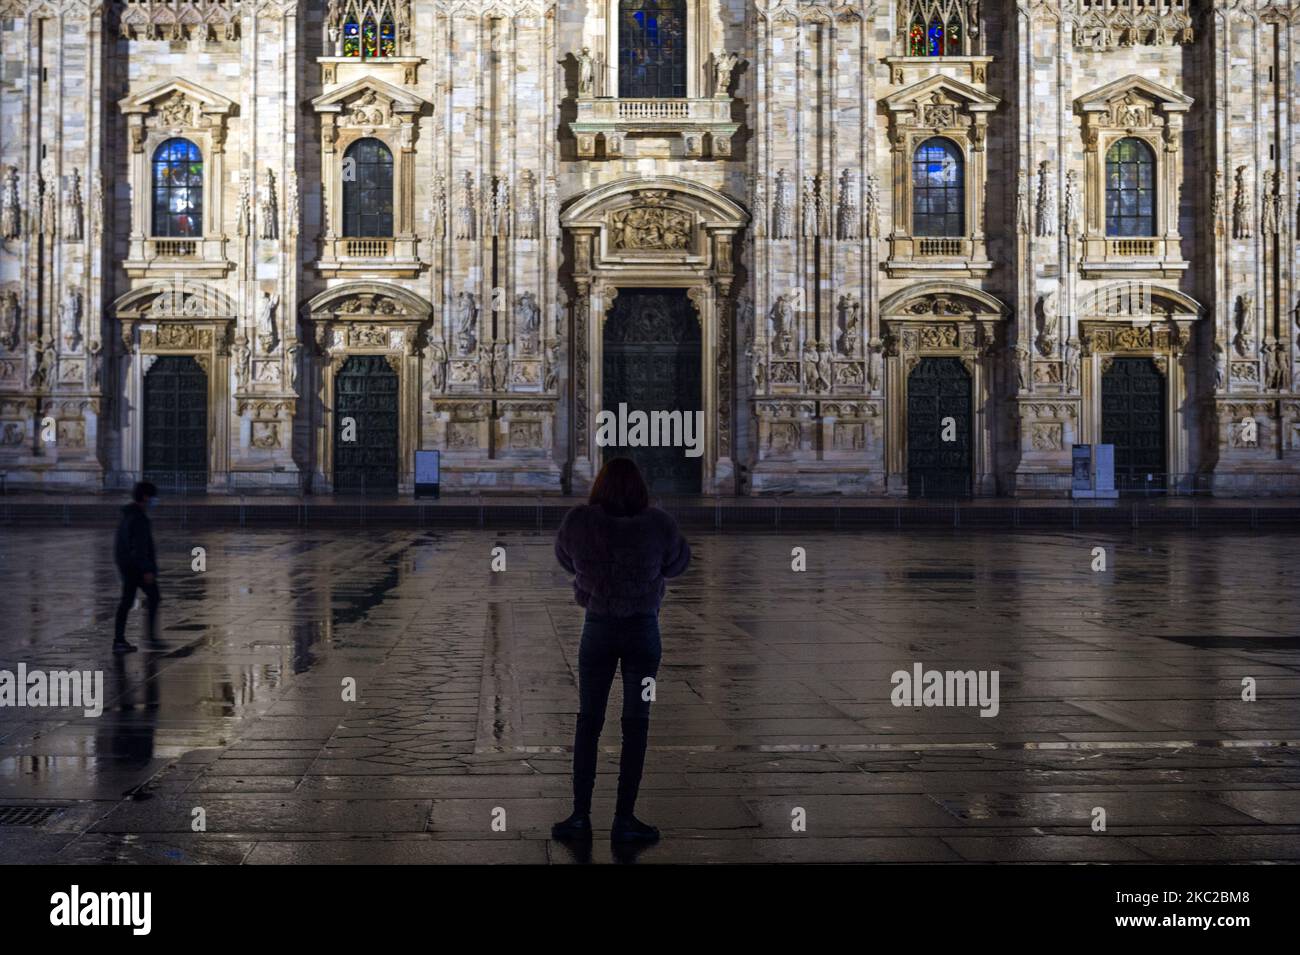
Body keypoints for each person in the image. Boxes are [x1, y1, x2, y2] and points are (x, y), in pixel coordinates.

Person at [551, 458, 691, 845]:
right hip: (643, 636)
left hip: (597, 632)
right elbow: (678, 563)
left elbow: (565, 558)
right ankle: (624, 819)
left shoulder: (580, 522)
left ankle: (579, 816)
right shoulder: (658, 525)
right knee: (636, 724)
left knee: (589, 721)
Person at [113, 481, 160, 653]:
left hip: (128, 566)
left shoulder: (128, 515)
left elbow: (120, 545)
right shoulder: (138, 518)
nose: (155, 500)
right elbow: (140, 547)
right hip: (137, 568)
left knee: (126, 602)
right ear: (146, 497)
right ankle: (150, 638)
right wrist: (147, 569)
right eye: (153, 497)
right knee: (153, 597)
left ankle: (120, 640)